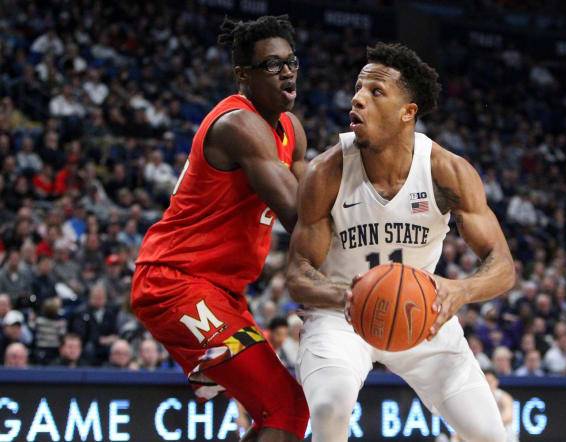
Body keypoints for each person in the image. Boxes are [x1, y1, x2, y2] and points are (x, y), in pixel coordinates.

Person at [286, 42, 515, 441]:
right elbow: (298, 274)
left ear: (409, 112)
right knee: (329, 406)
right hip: (339, 315)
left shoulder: (447, 171)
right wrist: (348, 297)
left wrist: (461, 290)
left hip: (420, 312)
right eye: (358, 88)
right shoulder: (326, 171)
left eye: (376, 92)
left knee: (490, 434)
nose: (357, 98)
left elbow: (502, 265)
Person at [130, 15, 309, 442]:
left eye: (291, 62)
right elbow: (300, 218)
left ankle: (208, 367)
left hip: (223, 291)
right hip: (176, 282)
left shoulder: (292, 130)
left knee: (285, 415)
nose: (286, 71)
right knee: (285, 408)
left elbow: (314, 212)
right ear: (242, 75)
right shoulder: (239, 125)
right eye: (271, 64)